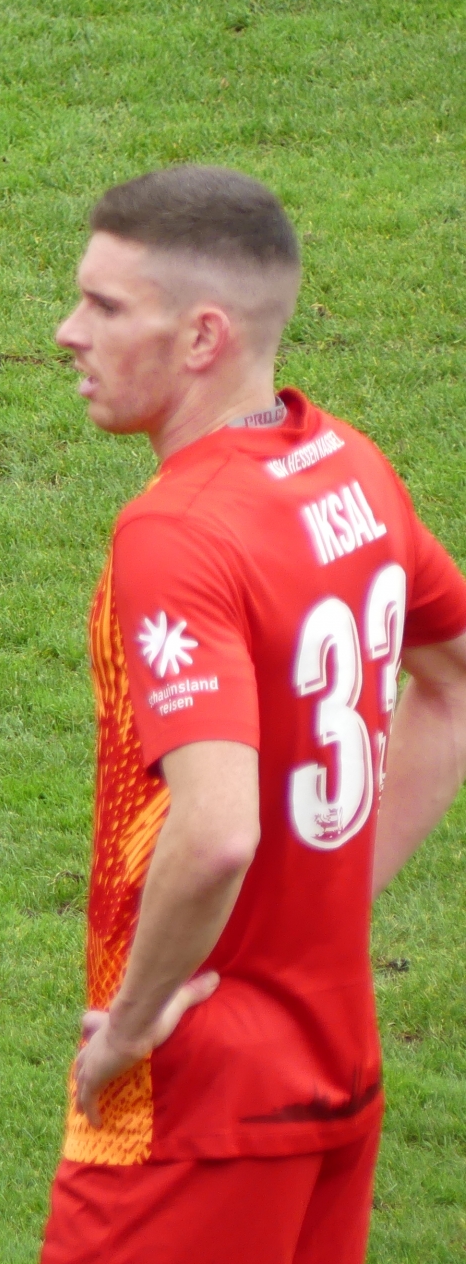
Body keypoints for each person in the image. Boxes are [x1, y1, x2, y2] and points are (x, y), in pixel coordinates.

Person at [42, 166, 466, 1264]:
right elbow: (454, 678)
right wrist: (333, 888)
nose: (68, 332)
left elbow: (219, 829)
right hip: (335, 1064)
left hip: (196, 1102)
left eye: (105, 306)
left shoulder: (174, 533)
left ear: (202, 338)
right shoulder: (351, 469)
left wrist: (131, 1025)